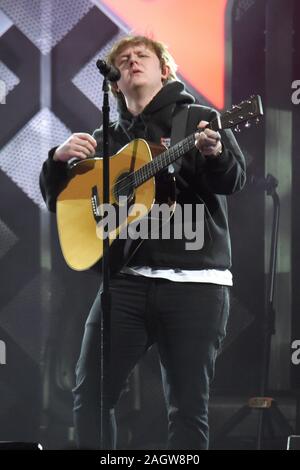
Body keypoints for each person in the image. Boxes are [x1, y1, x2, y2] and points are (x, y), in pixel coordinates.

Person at [40, 35, 246, 450]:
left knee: (188, 409)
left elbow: (233, 179)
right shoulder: (104, 138)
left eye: (142, 56)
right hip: (126, 281)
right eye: (123, 59)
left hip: (197, 282)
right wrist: (57, 163)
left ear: (165, 70)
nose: (131, 61)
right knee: (90, 398)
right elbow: (63, 206)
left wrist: (216, 153)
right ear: (114, 81)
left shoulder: (202, 118)